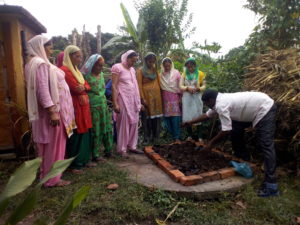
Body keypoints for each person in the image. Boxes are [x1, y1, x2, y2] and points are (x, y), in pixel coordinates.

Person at [184, 89, 279, 197]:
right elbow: (206, 116)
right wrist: (190, 122)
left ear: (210, 100)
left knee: (266, 144)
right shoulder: (217, 101)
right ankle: (243, 161)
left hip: (264, 108)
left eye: (205, 103)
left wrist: (210, 144)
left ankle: (271, 185)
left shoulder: (221, 104)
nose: (206, 105)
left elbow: (226, 130)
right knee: (236, 131)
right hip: (251, 109)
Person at [25, 35, 76, 187]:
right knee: (54, 146)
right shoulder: (40, 64)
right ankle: (52, 179)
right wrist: (52, 111)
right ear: (40, 46)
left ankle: (46, 176)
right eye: (49, 46)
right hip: (52, 112)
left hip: (48, 112)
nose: (51, 49)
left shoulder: (34, 63)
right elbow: (42, 90)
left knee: (47, 146)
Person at [60, 45, 96, 172]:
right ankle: (75, 163)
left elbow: (86, 85)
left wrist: (84, 87)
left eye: (80, 56)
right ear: (69, 56)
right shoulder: (64, 70)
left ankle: (84, 160)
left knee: (85, 132)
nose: (80, 59)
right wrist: (83, 87)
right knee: (76, 133)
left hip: (83, 106)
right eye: (77, 56)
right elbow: (75, 87)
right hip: (74, 106)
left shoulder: (77, 71)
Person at [111, 50, 143, 157]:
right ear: (126, 58)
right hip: (123, 99)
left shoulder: (132, 70)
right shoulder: (117, 67)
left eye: (135, 61)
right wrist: (115, 103)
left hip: (133, 100)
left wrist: (138, 101)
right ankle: (122, 149)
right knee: (123, 124)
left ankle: (132, 146)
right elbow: (114, 86)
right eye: (132, 61)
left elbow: (135, 85)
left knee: (134, 123)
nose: (133, 63)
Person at [81, 54, 113, 161]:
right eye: (99, 65)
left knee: (107, 128)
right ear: (92, 65)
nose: (101, 68)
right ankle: (95, 154)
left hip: (103, 106)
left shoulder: (102, 75)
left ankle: (108, 150)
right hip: (93, 108)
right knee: (96, 130)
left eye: (102, 66)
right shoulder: (86, 76)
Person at [137, 52, 163, 143]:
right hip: (146, 97)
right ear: (146, 61)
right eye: (149, 61)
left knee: (156, 118)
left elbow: (159, 83)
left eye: (153, 61)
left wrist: (161, 94)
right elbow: (139, 85)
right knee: (146, 117)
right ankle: (146, 137)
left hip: (156, 97)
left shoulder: (155, 70)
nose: (151, 63)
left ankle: (156, 136)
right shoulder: (140, 71)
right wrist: (142, 98)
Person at [180, 57, 206, 141]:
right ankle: (190, 135)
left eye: (192, 66)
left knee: (198, 114)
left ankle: (200, 136)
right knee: (188, 116)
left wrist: (199, 89)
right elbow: (180, 86)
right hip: (187, 98)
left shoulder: (201, 74)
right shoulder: (183, 74)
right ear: (186, 67)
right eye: (188, 66)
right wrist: (187, 88)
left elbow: (204, 85)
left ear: (195, 65)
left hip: (197, 97)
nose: (190, 68)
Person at [159, 57, 182, 143]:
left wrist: (181, 98)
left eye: (168, 66)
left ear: (171, 65)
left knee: (175, 118)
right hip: (165, 99)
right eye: (165, 66)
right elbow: (160, 88)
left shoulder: (176, 73)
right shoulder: (161, 75)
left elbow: (180, 85)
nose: (167, 67)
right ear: (163, 66)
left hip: (175, 98)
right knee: (167, 119)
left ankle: (177, 137)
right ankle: (171, 137)